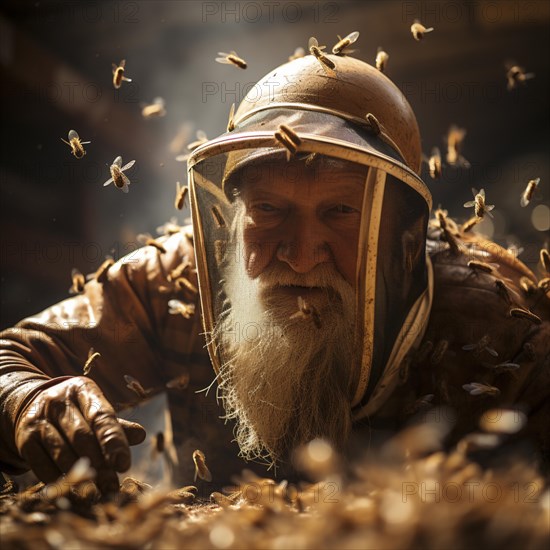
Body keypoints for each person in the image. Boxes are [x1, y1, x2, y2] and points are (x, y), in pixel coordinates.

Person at [1, 54, 548, 494]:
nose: (302, 254)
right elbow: (9, 359)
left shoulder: (500, 320)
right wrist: (27, 399)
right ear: (234, 217)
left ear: (404, 242)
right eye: (269, 209)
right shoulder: (180, 284)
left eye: (339, 212)